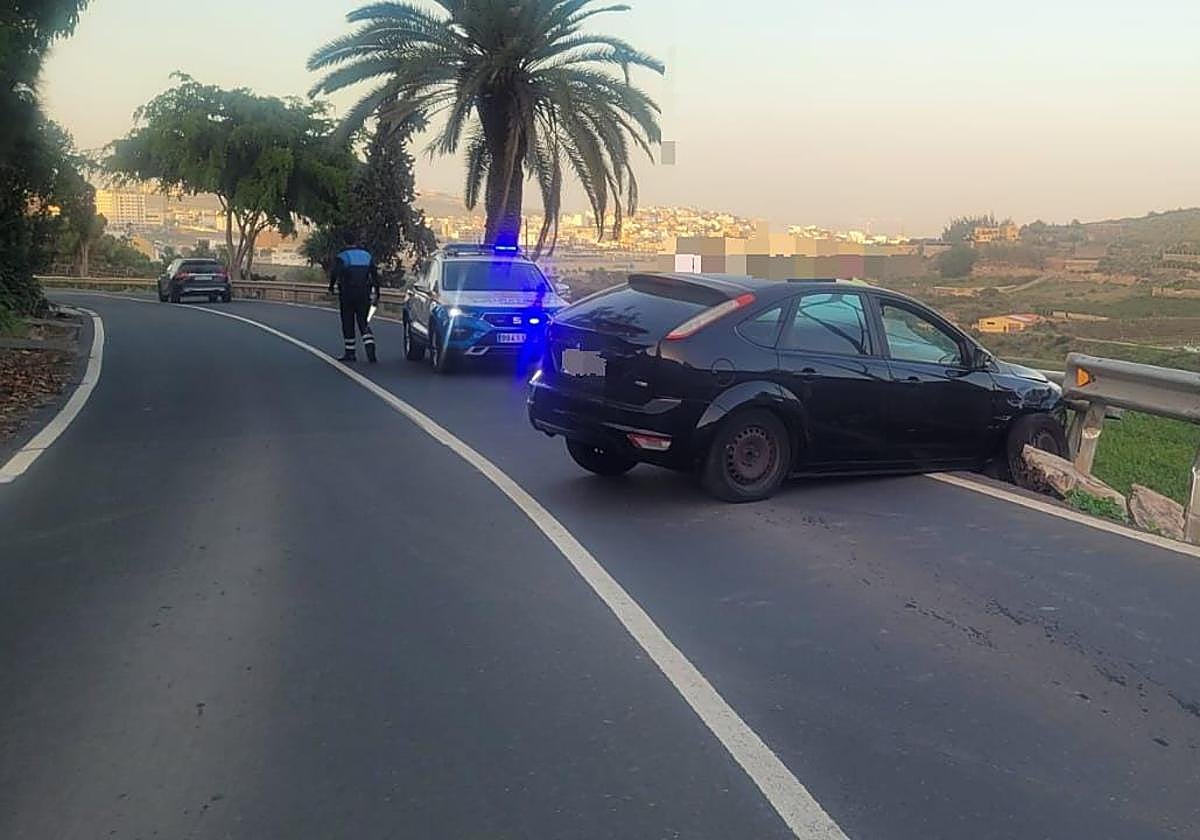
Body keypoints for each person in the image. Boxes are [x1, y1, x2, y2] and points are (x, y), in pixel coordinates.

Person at [329, 245, 380, 363]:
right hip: (364, 293)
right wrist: (377, 292)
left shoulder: (342, 256)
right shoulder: (366, 255)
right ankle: (370, 346)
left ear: (344, 242)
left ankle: (350, 352)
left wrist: (331, 287)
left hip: (347, 294)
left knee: (348, 321)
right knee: (363, 321)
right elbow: (375, 275)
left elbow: (334, 273)